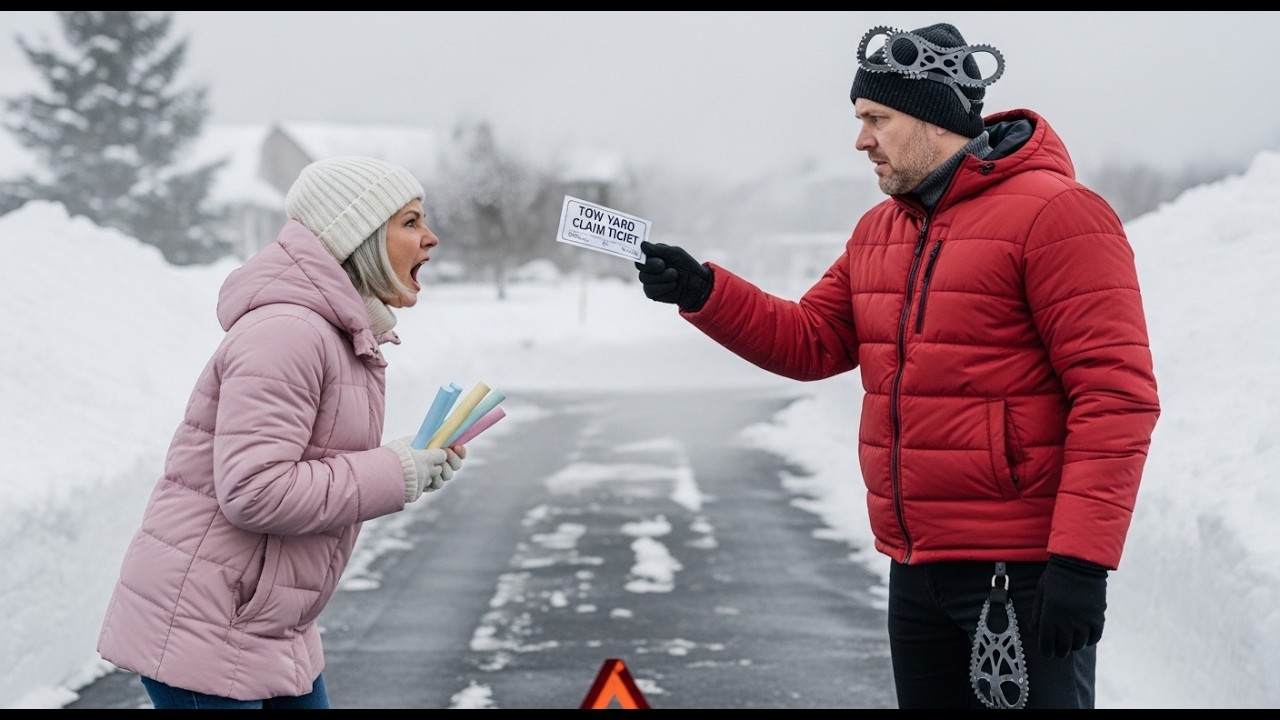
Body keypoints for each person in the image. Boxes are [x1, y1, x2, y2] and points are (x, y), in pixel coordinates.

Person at [634, 23, 1159, 710]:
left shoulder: (1058, 216)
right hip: (915, 568)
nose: (861, 140)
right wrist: (705, 292)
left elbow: (1115, 396)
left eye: (876, 118)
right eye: (860, 119)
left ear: (933, 119)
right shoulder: (879, 231)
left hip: (1019, 572)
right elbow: (813, 340)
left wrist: (1081, 563)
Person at [96, 156, 468, 709]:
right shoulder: (289, 332)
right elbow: (255, 490)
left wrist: (412, 463)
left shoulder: (339, 335)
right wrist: (394, 472)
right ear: (357, 237)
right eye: (410, 222)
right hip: (208, 623)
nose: (431, 238)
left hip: (268, 620)